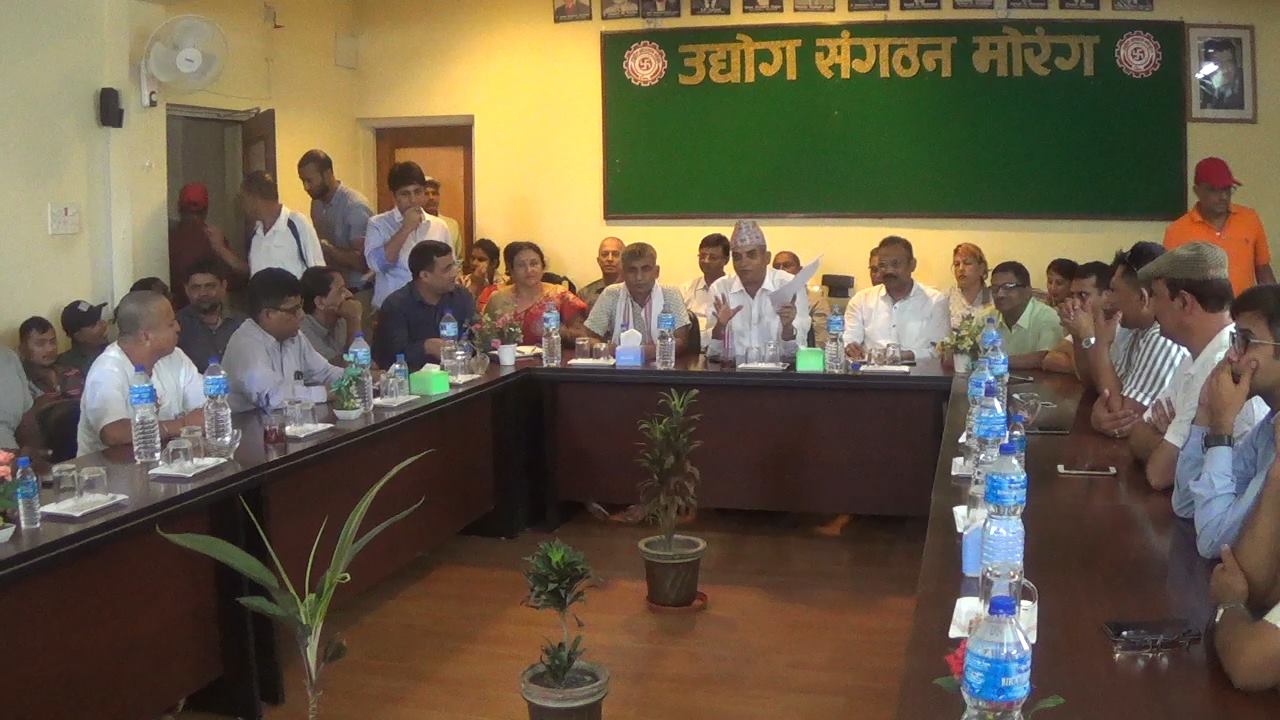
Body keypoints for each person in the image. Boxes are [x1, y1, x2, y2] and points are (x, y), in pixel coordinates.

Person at [1128, 242, 1265, 493]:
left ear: (1183, 302)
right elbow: (1137, 435)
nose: (1151, 307)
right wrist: (1166, 445)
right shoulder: (1195, 356)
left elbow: (1160, 474)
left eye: (1155, 296)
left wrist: (1165, 443)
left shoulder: (1222, 363)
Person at [1175, 284, 1280, 560]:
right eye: (1235, 340)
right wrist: (1205, 414)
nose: (1232, 355)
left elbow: (1213, 541)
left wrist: (1222, 427)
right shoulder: (1270, 425)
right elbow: (1186, 505)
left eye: (1246, 341)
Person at [1063, 243, 1188, 437]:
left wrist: (1100, 345)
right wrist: (1082, 338)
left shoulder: (1162, 339)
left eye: (1114, 291)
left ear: (1142, 298)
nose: (1108, 300)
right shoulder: (1134, 330)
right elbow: (1098, 385)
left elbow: (1119, 417)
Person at [77, 291, 205, 456]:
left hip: (170, 461)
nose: (178, 328)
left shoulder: (176, 357)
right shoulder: (106, 370)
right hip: (112, 469)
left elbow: (207, 408)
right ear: (146, 336)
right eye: (171, 324)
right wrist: (182, 424)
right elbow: (113, 433)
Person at [222, 268, 345, 412]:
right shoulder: (246, 345)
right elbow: (272, 398)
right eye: (294, 310)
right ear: (269, 314)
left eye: (301, 307)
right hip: (247, 423)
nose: (302, 315)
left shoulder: (294, 336)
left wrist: (356, 379)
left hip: (289, 420)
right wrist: (326, 393)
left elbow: (325, 372)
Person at [1164, 157, 1274, 296]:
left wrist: (1275, 304)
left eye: (1227, 189)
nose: (1223, 196)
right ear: (1197, 191)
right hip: (1200, 309)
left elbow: (1263, 269)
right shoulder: (1177, 231)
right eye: (1214, 190)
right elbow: (1170, 284)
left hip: (1245, 308)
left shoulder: (1250, 219)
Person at [707, 220, 809, 361]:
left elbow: (798, 353)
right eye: (737, 257)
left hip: (780, 372)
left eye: (751, 255)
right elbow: (712, 353)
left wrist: (787, 327)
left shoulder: (790, 286)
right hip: (732, 371)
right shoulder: (720, 289)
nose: (743, 263)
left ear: (767, 258)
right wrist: (720, 326)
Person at [364, 161, 453, 309]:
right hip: (391, 309)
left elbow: (449, 268)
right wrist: (405, 229)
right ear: (394, 196)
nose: (413, 200)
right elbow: (378, 265)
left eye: (417, 192)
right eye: (405, 194)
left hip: (431, 308)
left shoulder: (439, 226)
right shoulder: (378, 224)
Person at [843, 236, 946, 362]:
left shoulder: (935, 301)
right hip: (872, 371)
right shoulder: (861, 300)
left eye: (895, 264)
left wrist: (901, 356)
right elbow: (850, 340)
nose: (889, 271)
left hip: (918, 372)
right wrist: (851, 348)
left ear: (912, 265)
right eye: (882, 265)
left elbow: (940, 350)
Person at [375, 241, 475, 370]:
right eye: (447, 269)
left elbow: (476, 336)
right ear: (425, 276)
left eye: (454, 266)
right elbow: (389, 357)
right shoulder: (396, 305)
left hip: (461, 372)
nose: (454, 273)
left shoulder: (461, 296)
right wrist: (426, 347)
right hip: (414, 378)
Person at [298, 149, 374, 317]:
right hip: (329, 295)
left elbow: (363, 263)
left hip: (356, 293)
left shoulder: (355, 205)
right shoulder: (316, 204)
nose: (306, 187)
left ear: (327, 174)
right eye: (302, 181)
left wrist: (327, 248)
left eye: (310, 180)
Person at [584, 242, 691, 359]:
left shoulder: (670, 294)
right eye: (632, 270)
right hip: (620, 364)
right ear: (623, 273)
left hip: (661, 364)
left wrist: (639, 352)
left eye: (645, 269)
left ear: (656, 272)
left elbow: (681, 342)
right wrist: (613, 350)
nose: (639, 277)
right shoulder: (611, 294)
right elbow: (588, 338)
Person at [482, 242, 588, 347]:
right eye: (521, 265)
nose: (529, 270)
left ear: (543, 267)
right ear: (511, 270)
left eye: (534, 264)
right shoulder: (497, 299)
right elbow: (485, 339)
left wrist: (561, 332)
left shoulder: (560, 295)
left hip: (552, 356)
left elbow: (584, 337)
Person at [237, 171, 325, 279]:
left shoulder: (297, 224)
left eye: (243, 199)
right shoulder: (255, 233)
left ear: (254, 198)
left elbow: (318, 272)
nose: (242, 205)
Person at [18, 316, 82, 461]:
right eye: (40, 344)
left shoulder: (72, 373)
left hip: (83, 445)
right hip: (45, 454)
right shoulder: (21, 382)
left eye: (53, 342)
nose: (50, 349)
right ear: (22, 349)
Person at [989, 261, 1063, 370]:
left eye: (1008, 287)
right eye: (995, 288)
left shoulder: (1047, 317)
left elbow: (1045, 357)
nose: (1000, 294)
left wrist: (997, 362)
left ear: (1028, 291)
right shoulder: (987, 317)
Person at [177, 259, 245, 373]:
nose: (203, 293)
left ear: (223, 286)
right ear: (186, 290)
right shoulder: (177, 326)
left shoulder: (242, 323)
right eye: (196, 287)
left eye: (210, 286)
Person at [1043, 261, 1112, 375]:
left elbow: (1100, 377)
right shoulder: (1085, 321)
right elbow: (1049, 359)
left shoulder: (1120, 327)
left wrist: (1086, 336)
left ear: (1107, 297)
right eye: (1073, 295)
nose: (1076, 303)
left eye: (1083, 295)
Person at [168, 182, 230, 306]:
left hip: (196, 309)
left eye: (197, 213)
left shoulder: (214, 239)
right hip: (178, 309)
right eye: (189, 212)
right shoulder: (166, 237)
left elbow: (236, 279)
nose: (193, 218)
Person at [299, 267, 364, 366]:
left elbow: (364, 361)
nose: (349, 294)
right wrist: (354, 320)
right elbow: (346, 367)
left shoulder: (341, 319)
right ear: (320, 302)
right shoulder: (303, 331)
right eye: (341, 291)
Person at [680, 233, 730, 351]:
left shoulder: (733, 289)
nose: (706, 261)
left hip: (722, 353)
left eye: (713, 257)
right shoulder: (685, 289)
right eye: (702, 256)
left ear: (726, 260)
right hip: (690, 353)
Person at [772, 250, 831, 344]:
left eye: (787, 265)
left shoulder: (815, 300)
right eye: (776, 267)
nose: (781, 270)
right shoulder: (766, 297)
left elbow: (822, 341)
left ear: (800, 271)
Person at [946, 243, 994, 329]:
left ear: (981, 268)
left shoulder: (995, 298)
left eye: (967, 263)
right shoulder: (946, 299)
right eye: (957, 264)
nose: (961, 268)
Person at [57, 300, 109, 376]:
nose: (104, 324)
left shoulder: (115, 351)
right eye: (93, 325)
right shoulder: (65, 367)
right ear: (78, 336)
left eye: (100, 319)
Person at [577, 237, 625, 312]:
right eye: (604, 254)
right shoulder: (585, 294)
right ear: (598, 261)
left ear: (625, 260)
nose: (610, 259)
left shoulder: (635, 291)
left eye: (615, 254)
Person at [1199, 39, 1246, 111]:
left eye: (1229, 62)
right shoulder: (1203, 90)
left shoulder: (1244, 91)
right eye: (1218, 63)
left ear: (1236, 64)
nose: (1225, 69)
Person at [422, 176, 462, 260]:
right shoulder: (414, 225)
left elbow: (458, 259)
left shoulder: (452, 225)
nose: (431, 198)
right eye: (426, 194)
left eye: (434, 193)